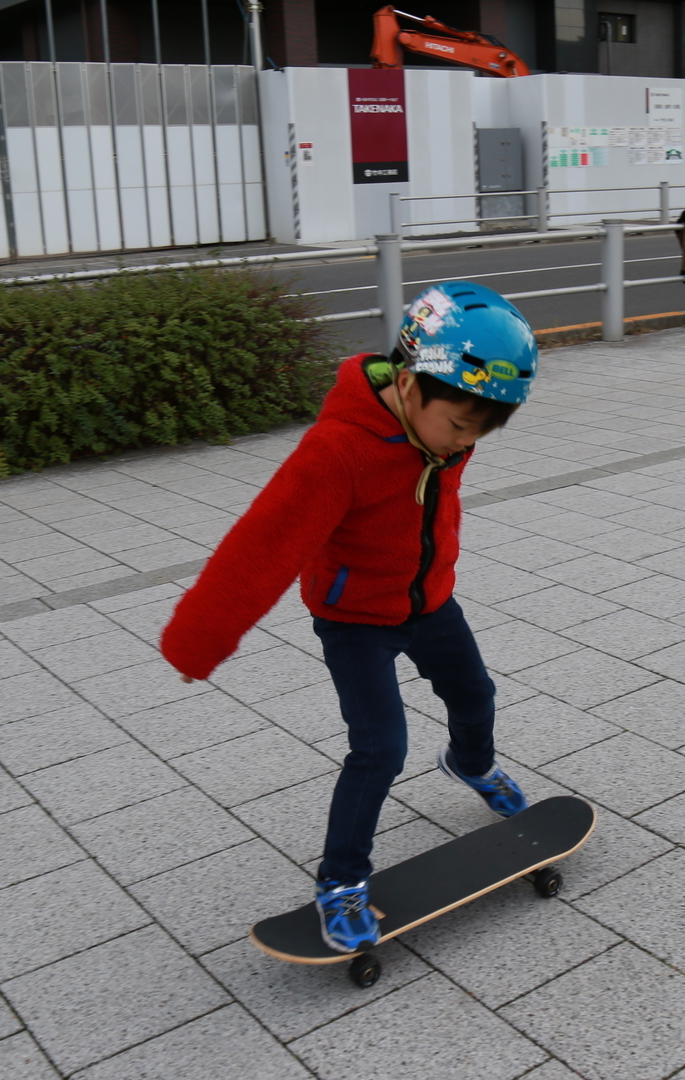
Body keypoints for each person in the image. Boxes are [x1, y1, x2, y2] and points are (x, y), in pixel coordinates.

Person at [159, 281, 538, 953]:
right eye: (458, 425)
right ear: (410, 382)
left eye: (480, 432)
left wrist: (455, 436)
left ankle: (471, 764)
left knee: (475, 693)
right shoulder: (337, 451)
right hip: (354, 619)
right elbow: (261, 547)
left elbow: (433, 480)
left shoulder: (445, 424)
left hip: (428, 603)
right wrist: (200, 640)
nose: (463, 444)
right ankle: (341, 881)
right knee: (379, 747)